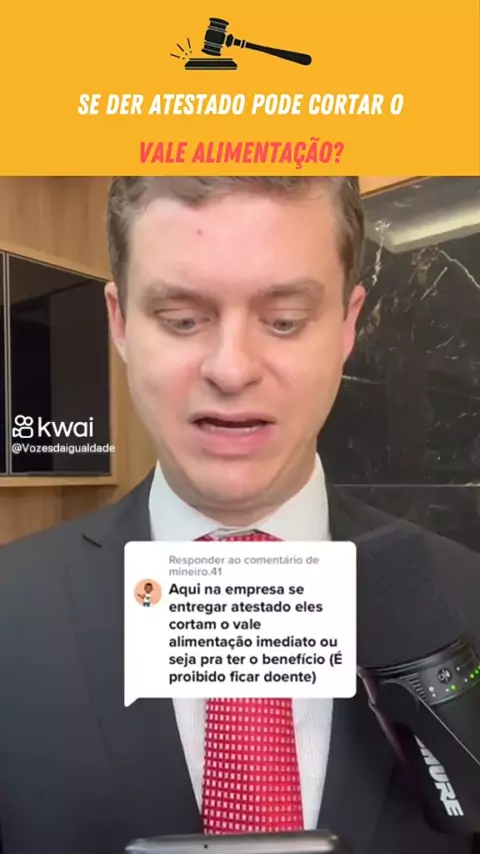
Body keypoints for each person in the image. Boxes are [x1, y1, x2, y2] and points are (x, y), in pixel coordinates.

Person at [0, 176, 479, 854]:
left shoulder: (467, 597)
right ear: (120, 322)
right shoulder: (11, 612)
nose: (231, 370)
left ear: (347, 324)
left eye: (284, 320)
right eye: (182, 319)